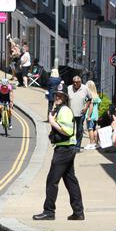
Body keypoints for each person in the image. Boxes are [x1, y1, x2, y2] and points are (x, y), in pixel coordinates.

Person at [33, 83, 84, 221]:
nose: (57, 97)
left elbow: (68, 131)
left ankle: (49, 211)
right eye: (56, 95)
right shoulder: (60, 110)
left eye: (61, 95)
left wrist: (52, 122)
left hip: (64, 150)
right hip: (66, 149)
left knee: (52, 181)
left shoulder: (65, 111)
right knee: (70, 181)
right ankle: (78, 212)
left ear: (65, 98)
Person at [68, 76, 92, 152]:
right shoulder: (69, 88)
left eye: (77, 82)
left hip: (81, 113)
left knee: (79, 130)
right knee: (70, 131)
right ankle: (70, 146)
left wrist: (86, 108)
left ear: (80, 82)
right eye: (73, 82)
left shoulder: (85, 88)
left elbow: (90, 98)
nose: (75, 84)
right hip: (70, 113)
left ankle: (77, 147)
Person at [84, 80, 101, 150]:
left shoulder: (89, 96)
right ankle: (96, 143)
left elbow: (90, 107)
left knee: (90, 129)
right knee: (94, 129)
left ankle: (91, 143)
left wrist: (88, 116)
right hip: (95, 115)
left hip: (90, 115)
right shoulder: (96, 95)